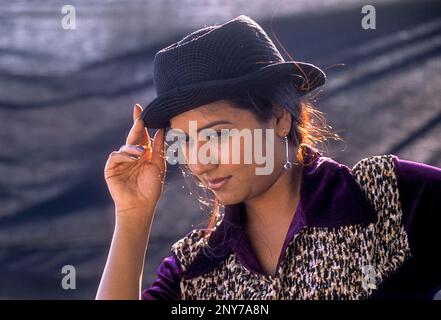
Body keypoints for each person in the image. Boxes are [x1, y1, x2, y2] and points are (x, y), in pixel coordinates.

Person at [96, 15, 441, 300]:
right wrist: (132, 215)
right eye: (184, 142)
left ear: (279, 117)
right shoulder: (195, 269)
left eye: (217, 135)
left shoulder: (383, 196)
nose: (199, 163)